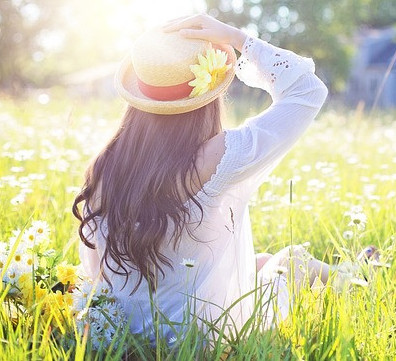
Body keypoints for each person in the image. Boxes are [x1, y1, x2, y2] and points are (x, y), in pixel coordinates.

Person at [73, 14, 331, 344]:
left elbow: (95, 272)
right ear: (207, 98)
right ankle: (363, 280)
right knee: (293, 260)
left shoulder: (105, 164)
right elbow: (307, 90)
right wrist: (238, 38)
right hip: (206, 337)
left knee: (262, 262)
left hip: (125, 334)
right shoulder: (219, 156)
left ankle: (362, 271)